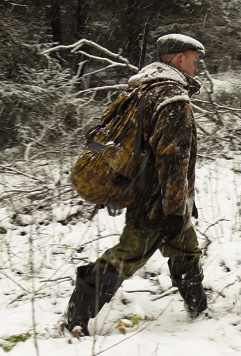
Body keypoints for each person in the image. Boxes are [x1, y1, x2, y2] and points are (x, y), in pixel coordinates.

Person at [64, 34, 207, 337]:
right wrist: (172, 210)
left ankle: (199, 311)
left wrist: (180, 206)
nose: (197, 67)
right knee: (127, 256)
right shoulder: (172, 98)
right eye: (195, 60)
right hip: (157, 201)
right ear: (179, 59)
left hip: (153, 193)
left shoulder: (144, 89)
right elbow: (173, 161)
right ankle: (77, 312)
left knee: (186, 250)